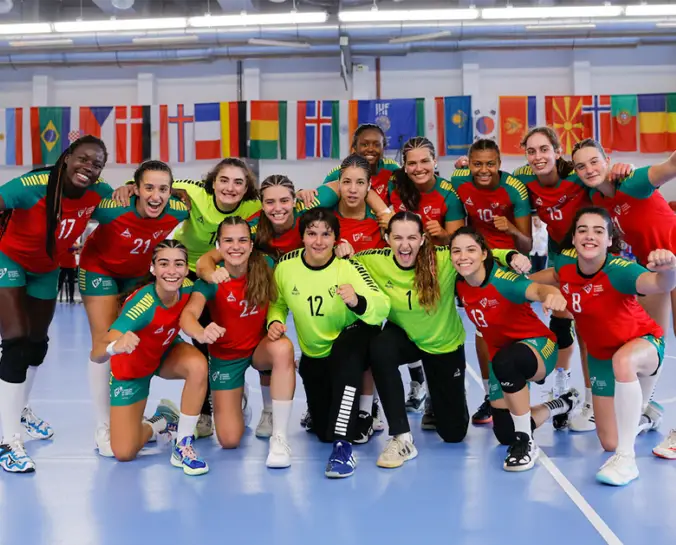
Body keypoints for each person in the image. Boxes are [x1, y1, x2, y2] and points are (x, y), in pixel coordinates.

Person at [355, 212, 531, 468]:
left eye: (412, 238)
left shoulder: (442, 259)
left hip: (442, 343)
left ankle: (439, 398)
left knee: (453, 434)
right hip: (404, 336)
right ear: (387, 239)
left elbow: (479, 253)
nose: (405, 245)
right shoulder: (374, 260)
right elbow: (344, 260)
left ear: (423, 239)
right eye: (398, 238)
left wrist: (513, 255)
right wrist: (343, 247)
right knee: (379, 348)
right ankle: (401, 437)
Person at [114, 158, 262, 438]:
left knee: (231, 328)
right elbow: (152, 188)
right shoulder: (194, 192)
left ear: (246, 189)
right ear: (213, 182)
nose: (230, 188)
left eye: (238, 182)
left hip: (226, 268)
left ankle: (233, 391)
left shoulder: (253, 208)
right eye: (224, 180)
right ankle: (204, 409)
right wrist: (126, 188)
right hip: (188, 271)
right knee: (200, 332)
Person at [531, 207, 674, 485]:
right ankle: (646, 417)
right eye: (582, 230)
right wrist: (519, 283)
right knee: (609, 440)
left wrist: (669, 270)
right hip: (600, 356)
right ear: (573, 238)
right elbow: (544, 279)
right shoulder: (566, 265)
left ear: (610, 240)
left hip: (642, 344)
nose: (589, 236)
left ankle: (626, 460)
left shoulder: (621, 271)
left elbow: (658, 284)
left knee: (623, 361)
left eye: (599, 231)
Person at [0, 135, 113, 474]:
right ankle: (8, 440)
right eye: (83, 159)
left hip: (47, 268)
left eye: (96, 164)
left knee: (38, 344)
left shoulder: (98, 194)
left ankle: (20, 408)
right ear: (66, 158)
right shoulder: (31, 185)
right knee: (16, 342)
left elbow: (129, 205)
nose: (88, 168)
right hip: (10, 260)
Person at [513, 127, 633, 432]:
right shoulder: (524, 179)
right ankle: (564, 386)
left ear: (557, 151)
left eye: (544, 149)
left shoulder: (577, 176)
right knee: (562, 320)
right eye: (531, 151)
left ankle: (598, 398)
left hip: (591, 253)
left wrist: (625, 168)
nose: (538, 156)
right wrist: (462, 168)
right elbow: (497, 181)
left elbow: (604, 174)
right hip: (560, 255)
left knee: (591, 327)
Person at [267, 208, 390, 478]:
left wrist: (357, 300)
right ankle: (333, 419)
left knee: (347, 357)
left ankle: (343, 447)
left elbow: (382, 306)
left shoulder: (348, 267)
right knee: (322, 431)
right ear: (302, 238)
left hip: (352, 337)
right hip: (315, 354)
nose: (319, 241)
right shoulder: (286, 268)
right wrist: (274, 322)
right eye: (312, 234)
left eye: (326, 234)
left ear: (336, 238)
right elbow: (276, 303)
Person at [79, 160, 189, 457]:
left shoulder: (178, 210)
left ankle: (153, 419)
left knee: (133, 339)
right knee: (105, 340)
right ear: (136, 189)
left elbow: (196, 200)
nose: (156, 196)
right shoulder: (113, 208)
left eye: (163, 189)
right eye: (148, 188)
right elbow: (79, 203)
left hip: (136, 275)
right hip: (99, 270)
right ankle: (104, 426)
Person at [451, 227, 580, 471]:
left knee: (505, 362)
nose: (463, 256)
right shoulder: (460, 284)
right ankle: (562, 403)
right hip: (504, 357)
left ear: (484, 254)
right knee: (505, 433)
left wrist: (552, 295)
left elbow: (538, 289)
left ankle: (526, 442)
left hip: (539, 347)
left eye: (470, 250)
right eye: (456, 251)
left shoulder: (503, 281)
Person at [181, 217, 296, 468]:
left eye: (243, 240)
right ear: (219, 246)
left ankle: (280, 437)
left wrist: (274, 323)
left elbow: (281, 299)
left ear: (252, 245)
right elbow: (188, 315)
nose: (236, 246)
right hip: (226, 357)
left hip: (258, 348)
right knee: (229, 440)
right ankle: (238, 399)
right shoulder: (211, 280)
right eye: (229, 241)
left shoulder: (265, 265)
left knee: (284, 349)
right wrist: (201, 333)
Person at [91, 240, 209, 475]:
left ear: (187, 270)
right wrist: (116, 345)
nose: (172, 271)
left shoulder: (188, 288)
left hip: (164, 352)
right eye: (164, 264)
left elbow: (211, 265)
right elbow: (96, 353)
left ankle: (183, 445)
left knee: (198, 365)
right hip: (132, 368)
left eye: (179, 264)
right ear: (153, 268)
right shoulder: (141, 306)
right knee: (124, 452)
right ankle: (161, 421)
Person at [451, 138, 533, 427]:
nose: (483, 170)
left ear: (499, 163)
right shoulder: (460, 180)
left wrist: (509, 227)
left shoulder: (514, 189)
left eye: (490, 164)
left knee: (512, 327)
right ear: (469, 164)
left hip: (508, 263)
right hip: (474, 262)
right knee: (482, 330)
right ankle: (490, 395)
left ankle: (521, 392)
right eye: (476, 164)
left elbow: (527, 243)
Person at [323, 123, 399, 199]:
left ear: (383, 147)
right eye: (365, 145)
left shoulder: (392, 169)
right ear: (355, 147)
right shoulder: (338, 173)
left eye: (376, 145)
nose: (370, 149)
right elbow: (321, 199)